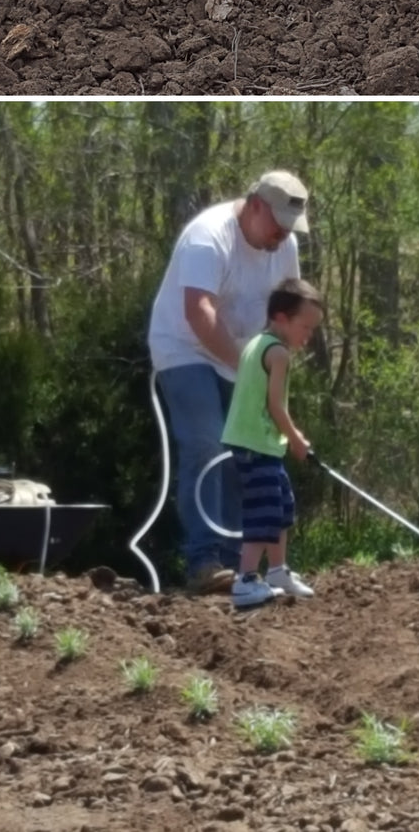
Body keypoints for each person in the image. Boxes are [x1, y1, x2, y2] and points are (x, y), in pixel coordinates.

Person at [148, 171, 309, 594]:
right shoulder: (209, 236)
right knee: (206, 442)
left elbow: (286, 310)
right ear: (255, 206)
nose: (282, 236)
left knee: (251, 454)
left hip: (243, 359)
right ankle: (203, 561)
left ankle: (244, 566)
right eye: (276, 224)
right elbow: (198, 311)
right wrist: (250, 366)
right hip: (184, 350)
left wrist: (278, 362)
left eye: (288, 228)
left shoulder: (284, 245)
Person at [221, 277, 322, 608]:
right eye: (304, 327)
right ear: (281, 317)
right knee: (263, 511)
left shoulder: (258, 343)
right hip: (255, 445)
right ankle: (245, 580)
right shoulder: (277, 352)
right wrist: (296, 440)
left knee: (281, 506)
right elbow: (276, 405)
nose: (307, 336)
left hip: (262, 445)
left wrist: (288, 439)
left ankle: (277, 570)